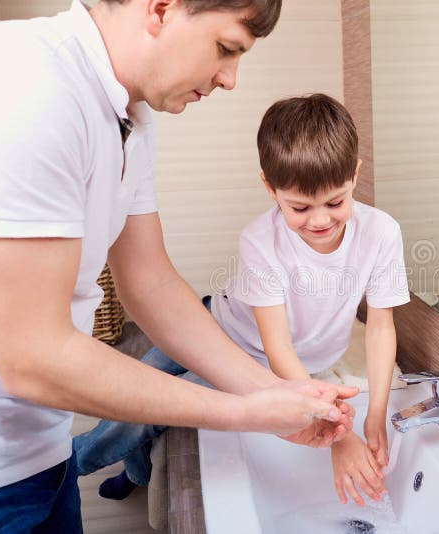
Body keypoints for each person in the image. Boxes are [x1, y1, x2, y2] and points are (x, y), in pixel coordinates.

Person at [0, 2, 358, 532]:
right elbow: (32, 357)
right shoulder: (29, 85)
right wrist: (246, 412)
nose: (230, 79)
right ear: (162, 8)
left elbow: (150, 284)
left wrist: (271, 393)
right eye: (225, 48)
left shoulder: (130, 115)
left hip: (36, 447)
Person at [73, 93, 411, 506]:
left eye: (336, 202)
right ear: (270, 188)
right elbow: (278, 340)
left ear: (355, 175)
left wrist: (375, 413)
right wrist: (340, 440)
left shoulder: (382, 233)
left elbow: (379, 326)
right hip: (215, 323)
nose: (320, 220)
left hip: (262, 366)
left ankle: (85, 468)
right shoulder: (260, 240)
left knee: (159, 409)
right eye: (300, 207)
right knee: (138, 389)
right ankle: (106, 469)